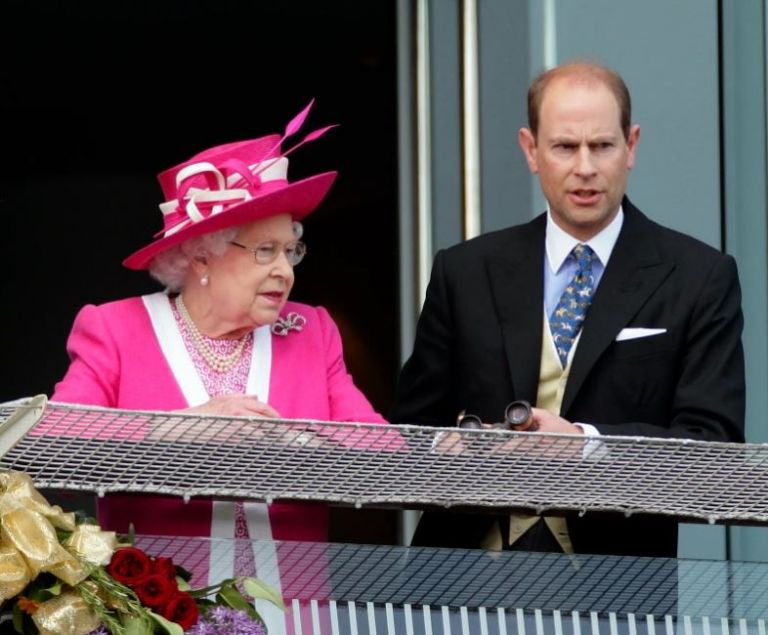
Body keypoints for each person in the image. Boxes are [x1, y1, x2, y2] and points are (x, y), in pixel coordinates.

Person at [391, 61, 745, 558]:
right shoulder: (464, 271)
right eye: (564, 146)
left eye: (601, 145)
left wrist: (586, 445)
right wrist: (453, 447)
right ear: (530, 150)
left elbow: (714, 452)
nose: (585, 167)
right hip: (460, 576)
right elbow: (407, 436)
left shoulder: (700, 277)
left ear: (631, 146)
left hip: (617, 585)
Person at [52, 104, 386, 626]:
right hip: (155, 616)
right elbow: (57, 442)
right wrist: (173, 431)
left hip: (292, 617)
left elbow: (383, 452)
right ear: (200, 256)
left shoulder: (312, 331)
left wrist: (298, 443)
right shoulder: (116, 329)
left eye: (291, 251)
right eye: (265, 251)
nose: (285, 271)